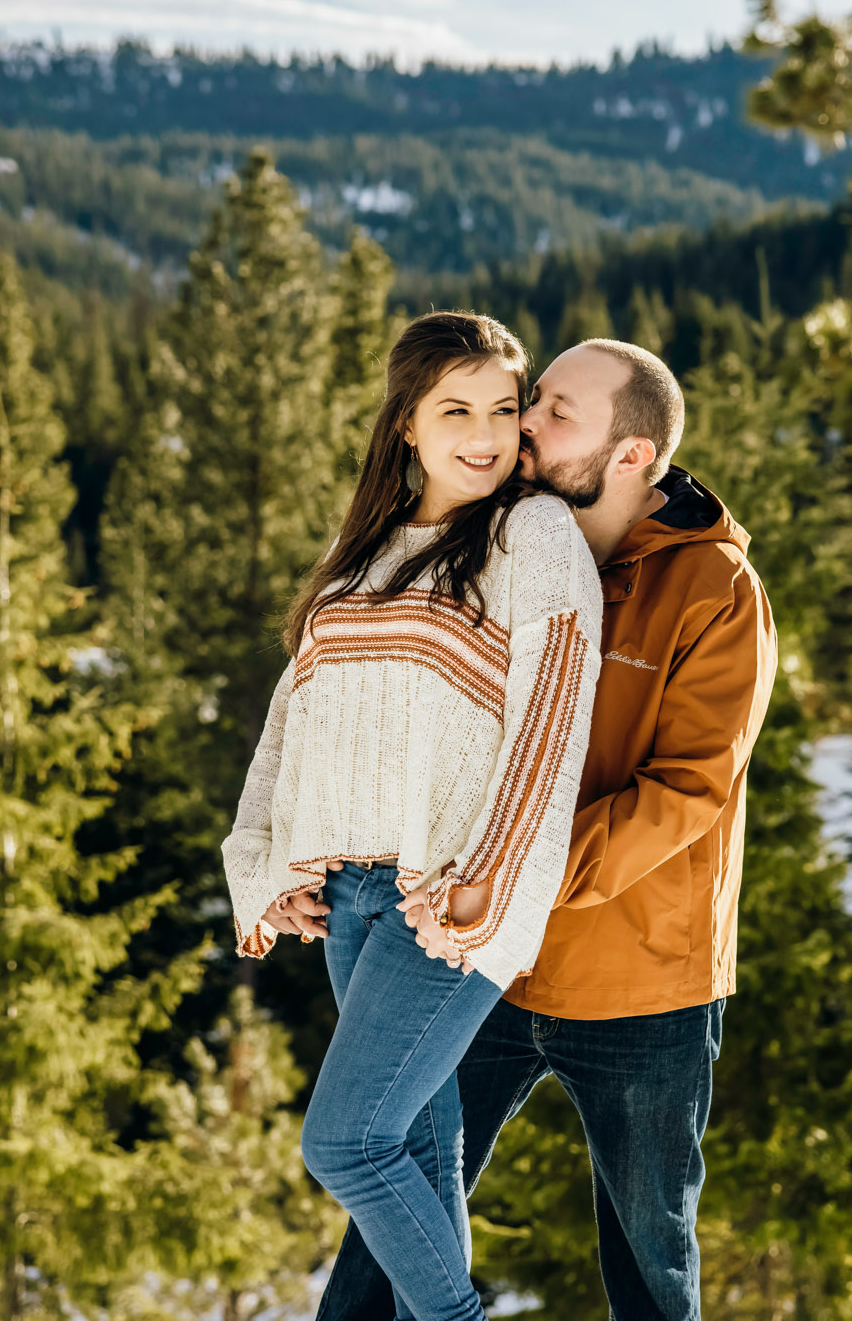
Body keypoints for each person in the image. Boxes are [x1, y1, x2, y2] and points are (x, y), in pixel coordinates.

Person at [313, 338, 778, 1321]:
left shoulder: (713, 590)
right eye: (535, 401)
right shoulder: (491, 543)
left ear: (630, 455)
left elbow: (687, 792)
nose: (522, 423)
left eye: (556, 411)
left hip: (638, 981)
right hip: (479, 962)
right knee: (390, 1198)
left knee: (649, 1259)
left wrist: (513, 870)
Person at [221, 311, 603, 1321]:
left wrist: (486, 874)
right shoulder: (364, 555)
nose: (483, 432)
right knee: (424, 1150)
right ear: (406, 424)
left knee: (343, 1139)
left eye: (501, 408)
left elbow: (550, 719)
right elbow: (289, 722)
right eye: (455, 409)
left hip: (445, 895)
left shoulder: (532, 534)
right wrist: (269, 861)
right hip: (349, 898)